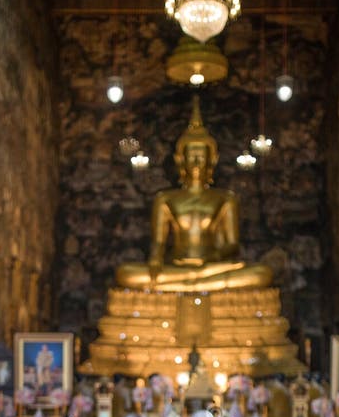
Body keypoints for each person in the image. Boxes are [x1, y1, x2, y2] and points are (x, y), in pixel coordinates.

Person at [116, 97, 272, 293]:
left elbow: (232, 245)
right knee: (126, 273)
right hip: (177, 267)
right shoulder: (165, 199)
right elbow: (158, 244)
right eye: (191, 154)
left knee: (261, 273)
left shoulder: (225, 198)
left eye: (201, 154)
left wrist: (212, 257)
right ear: (181, 160)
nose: (196, 160)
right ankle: (193, 282)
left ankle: (187, 285)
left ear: (212, 159)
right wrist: (155, 263)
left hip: (211, 267)